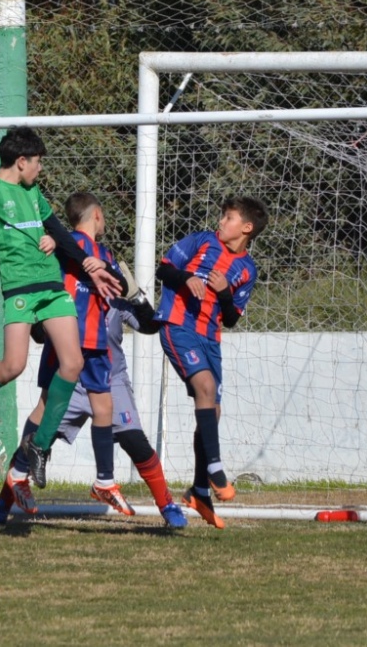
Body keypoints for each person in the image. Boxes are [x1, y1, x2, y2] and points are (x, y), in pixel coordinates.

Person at [0, 192, 187, 529]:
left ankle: (167, 507)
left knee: (135, 441)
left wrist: (137, 295)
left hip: (109, 374)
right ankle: (2, 505)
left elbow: (147, 325)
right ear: (98, 217)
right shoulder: (66, 266)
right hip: (70, 372)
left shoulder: (112, 274)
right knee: (34, 437)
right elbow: (41, 315)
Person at [0, 127, 128, 489]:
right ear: (21, 162)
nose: (40, 169)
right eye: (37, 162)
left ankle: (39, 446)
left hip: (52, 288)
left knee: (73, 363)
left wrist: (89, 263)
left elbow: (57, 230)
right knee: (13, 365)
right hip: (20, 288)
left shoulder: (33, 192)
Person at [154, 196, 269, 529]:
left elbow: (232, 318)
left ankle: (200, 490)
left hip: (210, 339)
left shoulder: (248, 269)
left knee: (212, 411)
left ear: (246, 228)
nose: (221, 221)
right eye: (222, 216)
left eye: (229, 217)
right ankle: (216, 470)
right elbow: (164, 268)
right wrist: (184, 279)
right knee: (204, 388)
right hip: (178, 326)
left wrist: (224, 294)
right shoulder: (202, 241)